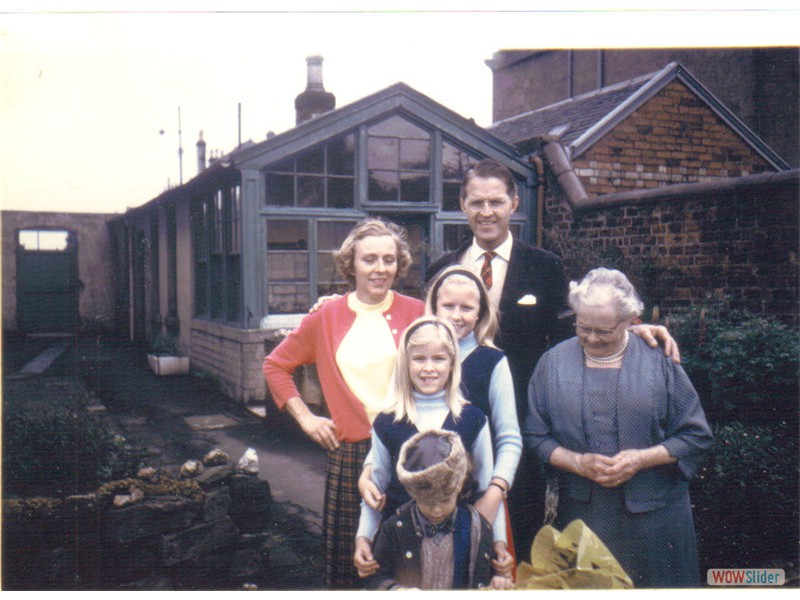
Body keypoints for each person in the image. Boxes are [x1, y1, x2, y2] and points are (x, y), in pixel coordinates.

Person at [425, 157, 681, 558]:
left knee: (519, 537)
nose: (486, 212)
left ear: (513, 204)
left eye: (496, 202)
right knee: (446, 532)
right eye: (477, 202)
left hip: (520, 425)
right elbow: (420, 334)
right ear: (463, 205)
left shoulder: (544, 266)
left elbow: (573, 331)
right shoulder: (442, 269)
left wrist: (629, 330)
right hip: (450, 421)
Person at [523, 268, 712, 588]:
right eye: (583, 327)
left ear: (629, 321)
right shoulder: (553, 362)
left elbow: (696, 435)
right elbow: (536, 435)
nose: (591, 338)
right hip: (585, 517)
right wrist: (577, 462)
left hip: (656, 518)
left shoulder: (659, 359)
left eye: (604, 330)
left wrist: (642, 459)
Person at [262, 217, 424, 589]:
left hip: (409, 448)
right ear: (351, 264)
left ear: (399, 263)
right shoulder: (326, 316)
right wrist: (306, 418)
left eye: (389, 259)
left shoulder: (417, 311)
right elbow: (275, 366)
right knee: (350, 566)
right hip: (350, 452)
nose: (380, 268)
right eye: (369, 259)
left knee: (409, 563)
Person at [360, 266, 521, 567]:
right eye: (448, 306)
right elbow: (391, 427)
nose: (456, 315)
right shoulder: (412, 354)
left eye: (466, 308)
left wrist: (495, 493)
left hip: (476, 498)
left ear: (481, 312)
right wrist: (367, 472)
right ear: (433, 307)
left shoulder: (492, 361)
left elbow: (509, 438)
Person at [363, 429, 514, 590]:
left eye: (445, 500)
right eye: (428, 502)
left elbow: (490, 574)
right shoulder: (396, 528)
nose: (437, 510)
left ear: (458, 487)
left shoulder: (477, 528)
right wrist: (397, 590)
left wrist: (498, 580)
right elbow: (374, 578)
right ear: (414, 494)